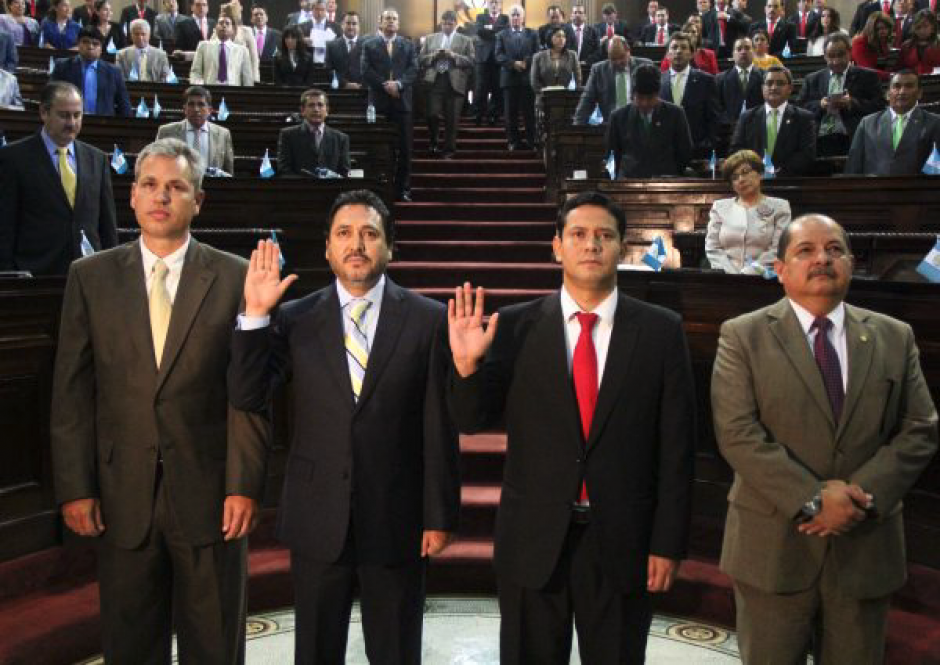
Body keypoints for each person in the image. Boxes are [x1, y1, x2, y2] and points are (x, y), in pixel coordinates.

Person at [447, 190, 696, 664]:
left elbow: (677, 448)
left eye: (604, 236)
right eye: (578, 234)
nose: (591, 245)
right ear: (558, 246)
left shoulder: (661, 331)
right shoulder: (515, 327)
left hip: (624, 540)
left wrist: (667, 544)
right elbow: (469, 419)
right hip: (533, 541)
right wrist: (465, 369)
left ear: (622, 247)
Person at [51, 137, 268, 664]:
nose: (161, 197)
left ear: (198, 200)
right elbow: (72, 394)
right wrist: (76, 488)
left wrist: (243, 484)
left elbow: (248, 395)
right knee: (130, 647)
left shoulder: (238, 276)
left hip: (211, 495)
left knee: (215, 646)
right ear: (131, 196)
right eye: (150, 184)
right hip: (122, 493)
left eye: (176, 187)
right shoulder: (90, 277)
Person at [228, 190, 461, 664]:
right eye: (345, 234)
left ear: (389, 247)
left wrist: (439, 513)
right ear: (328, 249)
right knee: (315, 651)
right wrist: (254, 316)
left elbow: (440, 424)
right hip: (318, 516)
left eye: (370, 233)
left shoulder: (429, 319)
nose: (357, 244)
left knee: (395, 650)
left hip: (397, 516)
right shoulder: (295, 318)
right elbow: (247, 395)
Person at [711, 213, 938, 665]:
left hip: (865, 544)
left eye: (834, 250)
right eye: (806, 250)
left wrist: (859, 498)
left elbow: (921, 427)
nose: (822, 259)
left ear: (852, 264)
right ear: (780, 270)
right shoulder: (743, 335)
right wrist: (813, 498)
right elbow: (737, 433)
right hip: (773, 546)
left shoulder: (894, 336)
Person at [0, 81, 117, 275]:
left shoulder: (97, 158)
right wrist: (7, 274)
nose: (71, 123)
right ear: (44, 113)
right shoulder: (13, 158)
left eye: (77, 115)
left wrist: (111, 269)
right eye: (64, 115)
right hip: (34, 273)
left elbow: (107, 223)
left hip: (88, 272)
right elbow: (5, 223)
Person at [361, 7, 418, 201]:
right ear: (380, 22)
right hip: (379, 103)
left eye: (394, 19)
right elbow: (365, 70)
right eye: (388, 19)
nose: (391, 21)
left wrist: (399, 84)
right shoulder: (369, 45)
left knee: (404, 148)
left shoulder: (408, 45)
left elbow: (413, 69)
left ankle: (403, 189)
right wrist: (386, 86)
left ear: (398, 23)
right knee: (379, 148)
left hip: (402, 104)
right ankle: (379, 188)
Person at [797, 33, 885, 156]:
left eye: (841, 55)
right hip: (819, 138)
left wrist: (852, 103)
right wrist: (820, 105)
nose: (836, 61)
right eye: (831, 56)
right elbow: (800, 108)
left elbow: (880, 106)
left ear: (850, 53)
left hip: (853, 136)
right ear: (824, 56)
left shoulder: (867, 77)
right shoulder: (812, 79)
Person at [706, 149, 792, 274]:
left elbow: (779, 249)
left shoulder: (780, 206)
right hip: (725, 279)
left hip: (764, 278)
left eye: (745, 172)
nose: (741, 179)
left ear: (760, 174)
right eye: (735, 177)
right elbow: (713, 247)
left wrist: (749, 273)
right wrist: (730, 274)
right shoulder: (720, 207)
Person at [845, 70, 940, 175]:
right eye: (897, 86)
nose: (902, 91)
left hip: (919, 189)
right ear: (888, 94)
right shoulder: (867, 123)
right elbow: (853, 166)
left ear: (919, 93)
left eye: (909, 86)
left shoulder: (934, 123)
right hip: (875, 189)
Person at [608, 63, 693, 177]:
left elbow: (684, 151)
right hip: (629, 183)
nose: (645, 103)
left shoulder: (676, 114)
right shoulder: (618, 117)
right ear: (632, 94)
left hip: (666, 182)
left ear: (658, 94)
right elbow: (613, 155)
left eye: (650, 98)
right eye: (640, 97)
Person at [731, 65, 816, 176]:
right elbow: (736, 150)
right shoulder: (747, 117)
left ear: (790, 88)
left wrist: (778, 172)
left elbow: (807, 155)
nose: (774, 87)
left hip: (790, 182)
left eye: (780, 83)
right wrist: (755, 171)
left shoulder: (804, 118)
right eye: (769, 83)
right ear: (762, 88)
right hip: (753, 179)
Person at [420, 10, 475, 158]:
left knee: (452, 120)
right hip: (434, 81)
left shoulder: (465, 40)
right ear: (441, 24)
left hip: (455, 84)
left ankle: (449, 150)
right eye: (444, 23)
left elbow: (471, 61)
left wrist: (454, 56)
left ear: (455, 24)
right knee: (432, 114)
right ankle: (434, 142)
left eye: (450, 24)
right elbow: (420, 59)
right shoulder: (430, 39)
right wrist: (434, 55)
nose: (447, 26)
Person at [660, 32, 719, 155]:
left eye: (683, 47)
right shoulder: (658, 81)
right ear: (667, 54)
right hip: (664, 152)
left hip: (698, 151)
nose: (678, 51)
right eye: (674, 47)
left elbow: (713, 118)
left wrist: (707, 145)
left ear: (692, 54)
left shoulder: (706, 80)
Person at [51, 27, 131, 117]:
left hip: (103, 124)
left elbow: (124, 104)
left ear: (101, 48)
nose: (90, 47)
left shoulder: (113, 72)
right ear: (78, 44)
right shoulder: (62, 66)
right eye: (85, 42)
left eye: (95, 44)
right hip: (69, 121)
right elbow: (51, 96)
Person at [573, 36, 653, 125]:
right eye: (613, 59)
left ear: (628, 51)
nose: (618, 62)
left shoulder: (645, 66)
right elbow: (587, 100)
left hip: (641, 124)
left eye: (621, 57)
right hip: (612, 125)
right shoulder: (599, 70)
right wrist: (577, 125)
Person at [156, 86, 234, 175]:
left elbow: (229, 174)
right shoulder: (166, 132)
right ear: (184, 109)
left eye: (201, 104)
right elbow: (158, 167)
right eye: (191, 104)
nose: (196, 109)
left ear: (209, 110)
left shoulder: (223, 134)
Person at [276, 88, 350, 176]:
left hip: (331, 188)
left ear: (327, 110)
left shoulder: (341, 138)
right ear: (302, 110)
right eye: (311, 105)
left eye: (320, 105)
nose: (316, 109)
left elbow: (344, 172)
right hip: (299, 188)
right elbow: (284, 169)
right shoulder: (288, 135)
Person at [495, 4, 539, 151]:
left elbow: (537, 53)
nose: (515, 18)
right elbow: (498, 55)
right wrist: (513, 64)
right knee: (510, 114)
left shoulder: (532, 34)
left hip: (528, 79)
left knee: (529, 113)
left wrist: (526, 62)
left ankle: (531, 141)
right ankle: (513, 141)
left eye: (517, 15)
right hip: (509, 78)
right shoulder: (501, 35)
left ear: (523, 17)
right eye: (512, 15)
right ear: (509, 18)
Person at [190, 15, 254, 86]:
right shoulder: (203, 46)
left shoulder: (242, 50)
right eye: (221, 23)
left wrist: (247, 95)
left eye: (227, 23)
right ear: (216, 28)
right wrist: (200, 86)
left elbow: (247, 77)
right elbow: (195, 72)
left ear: (233, 29)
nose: (224, 25)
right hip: (209, 90)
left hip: (233, 91)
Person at [473, 0, 509, 126]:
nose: (494, 4)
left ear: (500, 4)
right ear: (487, 4)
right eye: (491, 2)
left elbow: (505, 32)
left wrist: (490, 29)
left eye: (496, 2)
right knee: (480, 88)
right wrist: (496, 31)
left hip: (499, 58)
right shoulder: (481, 16)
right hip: (483, 58)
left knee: (497, 88)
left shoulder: (505, 18)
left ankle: (493, 115)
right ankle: (478, 114)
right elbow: (479, 31)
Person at [530, 26, 581, 114]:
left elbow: (578, 79)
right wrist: (544, 93)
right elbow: (534, 81)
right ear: (550, 38)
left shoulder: (572, 55)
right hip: (544, 99)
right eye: (558, 36)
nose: (562, 39)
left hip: (566, 99)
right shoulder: (538, 57)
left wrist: (573, 95)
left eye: (563, 36)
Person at [717, 37, 764, 127]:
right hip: (728, 129)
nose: (743, 52)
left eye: (747, 48)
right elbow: (717, 108)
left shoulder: (765, 76)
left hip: (759, 127)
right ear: (733, 54)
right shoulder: (720, 79)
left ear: (754, 52)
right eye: (739, 49)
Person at [216, 1, 260, 82]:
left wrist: (255, 79)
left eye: (226, 14)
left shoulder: (246, 31)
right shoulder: (216, 32)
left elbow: (254, 59)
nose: (222, 17)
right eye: (222, 14)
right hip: (222, 75)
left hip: (241, 74)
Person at [325, 11, 363, 89]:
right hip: (340, 91)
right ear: (342, 25)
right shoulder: (331, 46)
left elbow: (370, 69)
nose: (351, 27)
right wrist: (344, 84)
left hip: (363, 91)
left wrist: (359, 85)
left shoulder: (367, 45)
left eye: (354, 23)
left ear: (359, 26)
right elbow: (328, 70)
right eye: (348, 23)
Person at [852, 11, 893, 78]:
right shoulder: (859, 43)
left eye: (886, 28)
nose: (884, 32)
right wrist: (891, 75)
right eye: (878, 29)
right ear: (871, 29)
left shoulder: (882, 41)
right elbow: (866, 70)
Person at [900, 9, 940, 74]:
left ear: (933, 27)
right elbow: (900, 69)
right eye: (918, 27)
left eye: (925, 26)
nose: (921, 30)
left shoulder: (938, 44)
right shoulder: (906, 46)